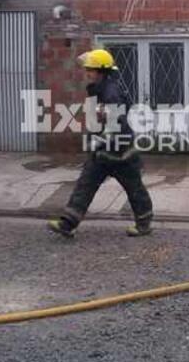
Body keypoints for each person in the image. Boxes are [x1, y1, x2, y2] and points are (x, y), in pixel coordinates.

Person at [48, 49, 154, 238]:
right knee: (86, 184)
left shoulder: (110, 92)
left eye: (91, 69)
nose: (87, 72)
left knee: (134, 188)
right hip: (104, 152)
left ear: (101, 71)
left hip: (120, 153)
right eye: (87, 68)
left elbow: (117, 124)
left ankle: (144, 223)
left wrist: (101, 141)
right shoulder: (100, 88)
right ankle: (68, 223)